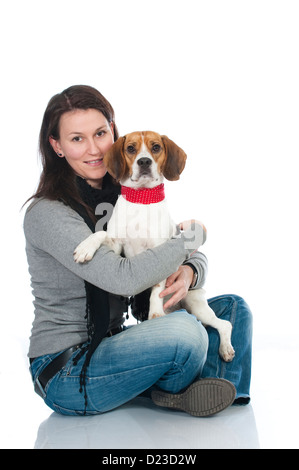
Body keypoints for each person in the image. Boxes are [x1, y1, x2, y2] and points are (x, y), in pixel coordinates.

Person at [24, 85, 252, 417]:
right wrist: (193, 237)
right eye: (77, 139)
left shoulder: (128, 189)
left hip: (117, 341)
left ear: (113, 133)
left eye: (100, 133)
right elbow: (125, 278)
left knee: (234, 308)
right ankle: (181, 386)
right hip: (68, 368)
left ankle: (216, 392)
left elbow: (172, 249)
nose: (94, 149)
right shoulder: (48, 213)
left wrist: (189, 272)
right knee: (185, 330)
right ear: (57, 146)